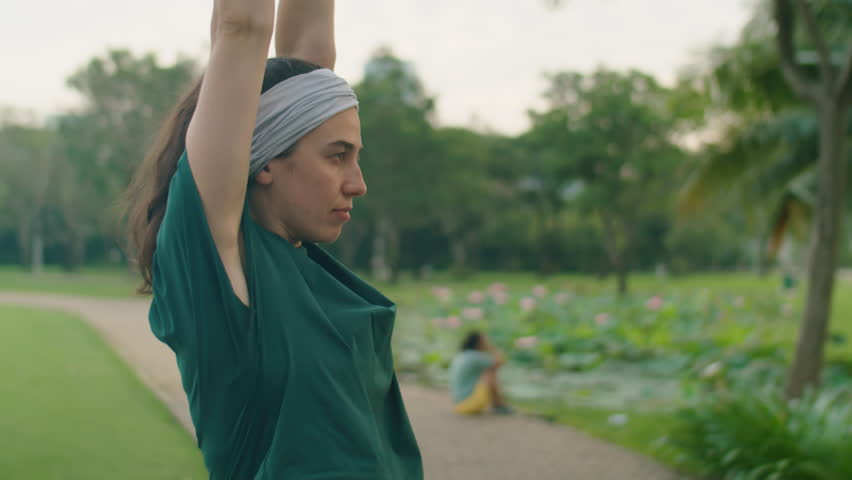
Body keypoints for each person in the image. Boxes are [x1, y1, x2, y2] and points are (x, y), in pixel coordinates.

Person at [122, 1, 422, 478]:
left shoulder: (298, 263)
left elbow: (306, 61)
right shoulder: (221, 265)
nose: (358, 183)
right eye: (337, 156)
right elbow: (242, 27)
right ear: (262, 162)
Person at [449, 331, 515, 415]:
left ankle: (499, 405)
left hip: (459, 405)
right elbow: (500, 361)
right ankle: (499, 406)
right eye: (485, 341)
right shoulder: (475, 356)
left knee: (487, 372)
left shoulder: (462, 355)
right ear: (479, 342)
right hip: (469, 404)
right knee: (490, 373)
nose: (487, 342)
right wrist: (491, 348)